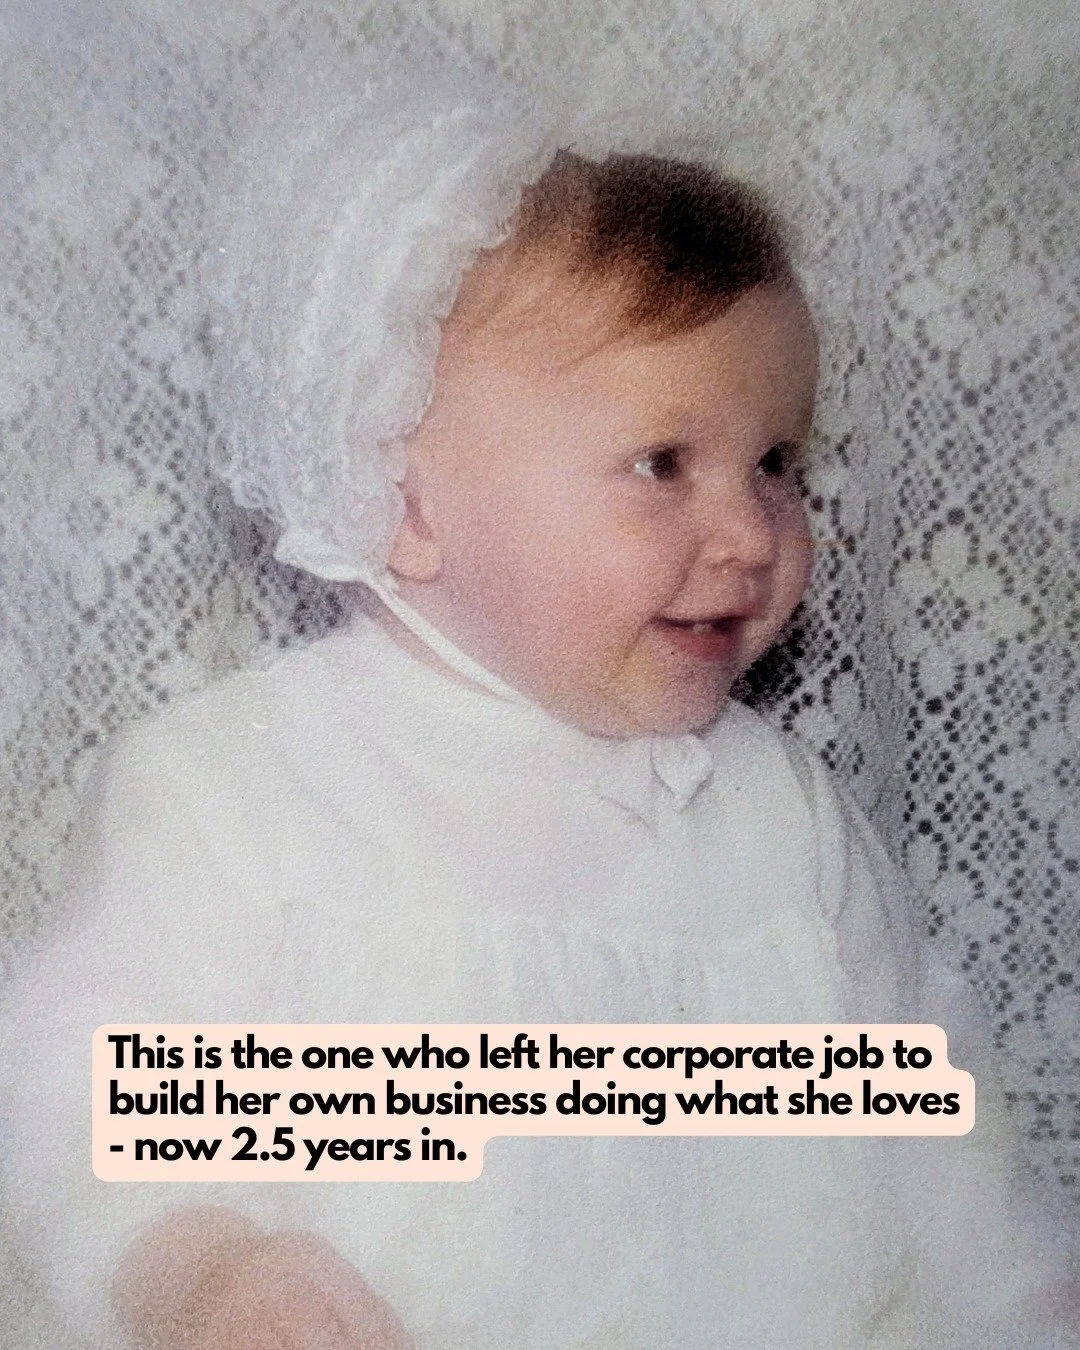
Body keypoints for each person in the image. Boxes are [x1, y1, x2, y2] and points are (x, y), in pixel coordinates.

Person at [0, 87, 1075, 1350]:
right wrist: (193, 1267)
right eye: (664, 463)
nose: (753, 534)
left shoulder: (783, 818)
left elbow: (947, 1167)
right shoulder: (237, 789)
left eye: (776, 463)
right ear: (403, 499)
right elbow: (77, 1099)